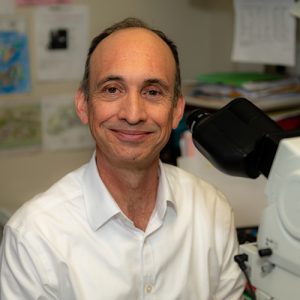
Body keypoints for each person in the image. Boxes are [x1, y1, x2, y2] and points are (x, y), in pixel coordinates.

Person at [0, 17, 245, 299]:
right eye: (112, 89)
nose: (132, 113)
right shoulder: (35, 237)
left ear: (177, 110)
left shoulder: (212, 211)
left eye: (152, 92)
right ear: (83, 105)